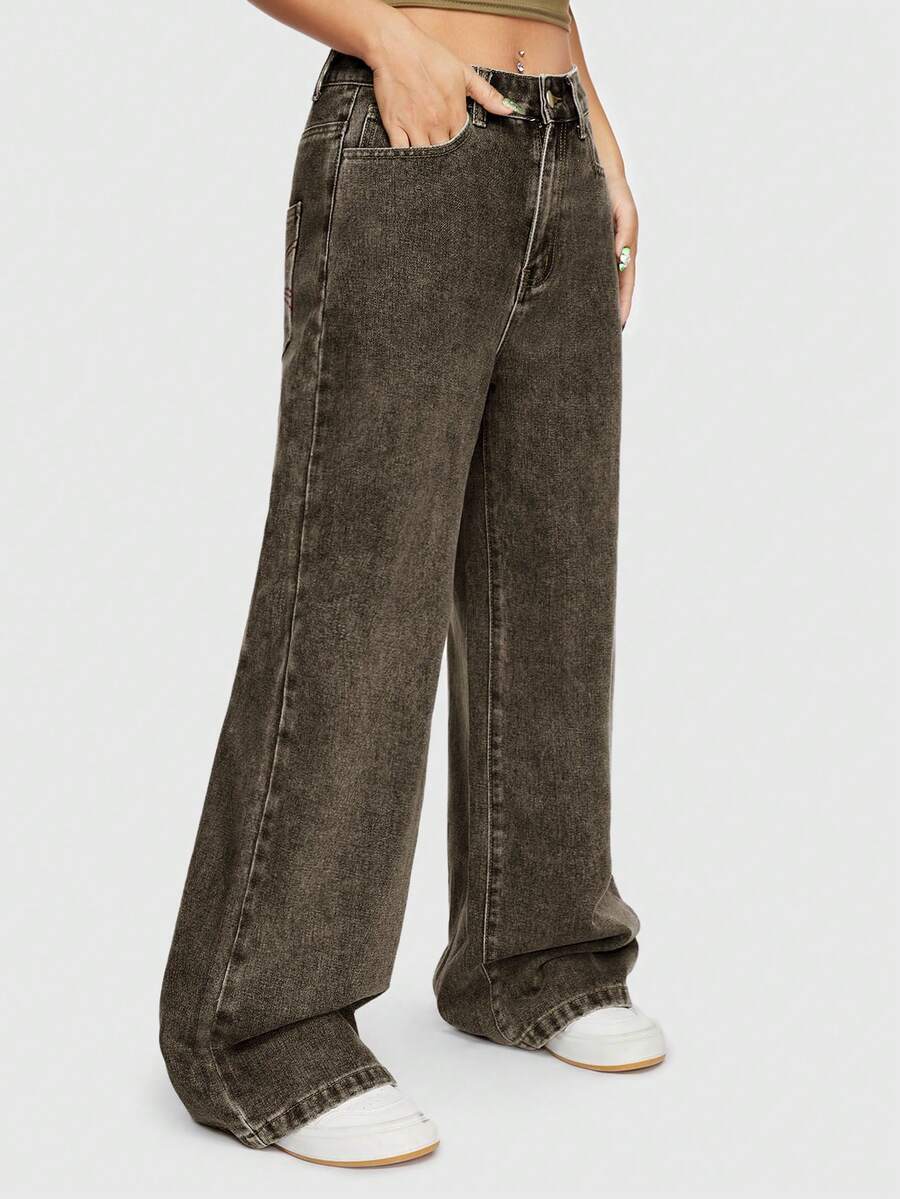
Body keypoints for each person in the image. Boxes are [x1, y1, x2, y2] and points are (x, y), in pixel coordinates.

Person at [160, 0, 665, 1168]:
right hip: (412, 127)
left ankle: (534, 955)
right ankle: (259, 1027)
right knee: (359, 583)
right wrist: (388, 42)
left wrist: (594, 122)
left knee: (554, 572)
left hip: (557, 138)